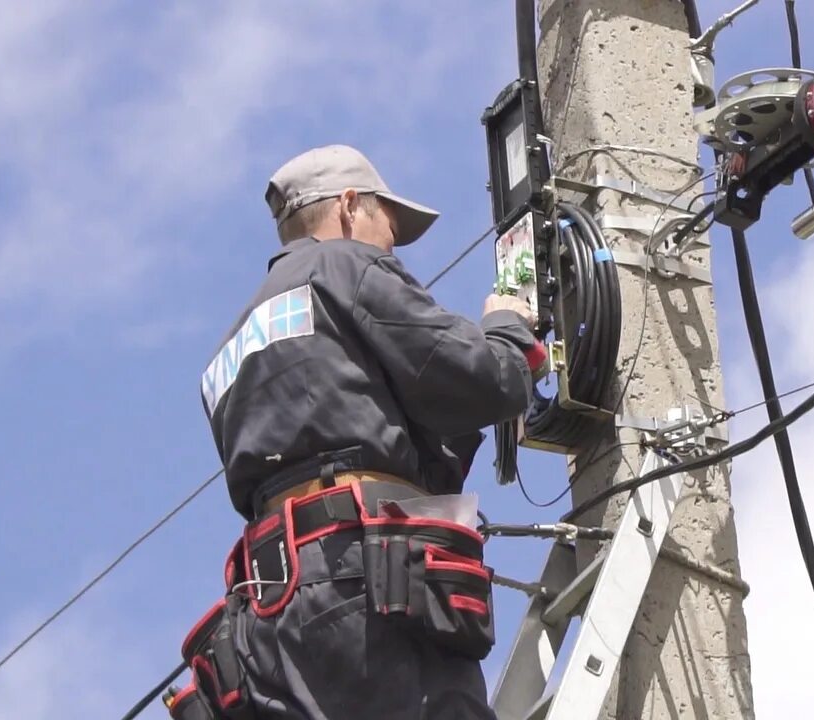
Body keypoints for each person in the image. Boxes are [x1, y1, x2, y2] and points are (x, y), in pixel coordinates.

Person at [189, 145, 546, 720]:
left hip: (272, 616)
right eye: (389, 227)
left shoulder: (229, 350)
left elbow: (349, 431)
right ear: (350, 206)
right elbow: (482, 378)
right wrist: (508, 329)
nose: (391, 247)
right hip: (365, 580)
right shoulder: (343, 268)